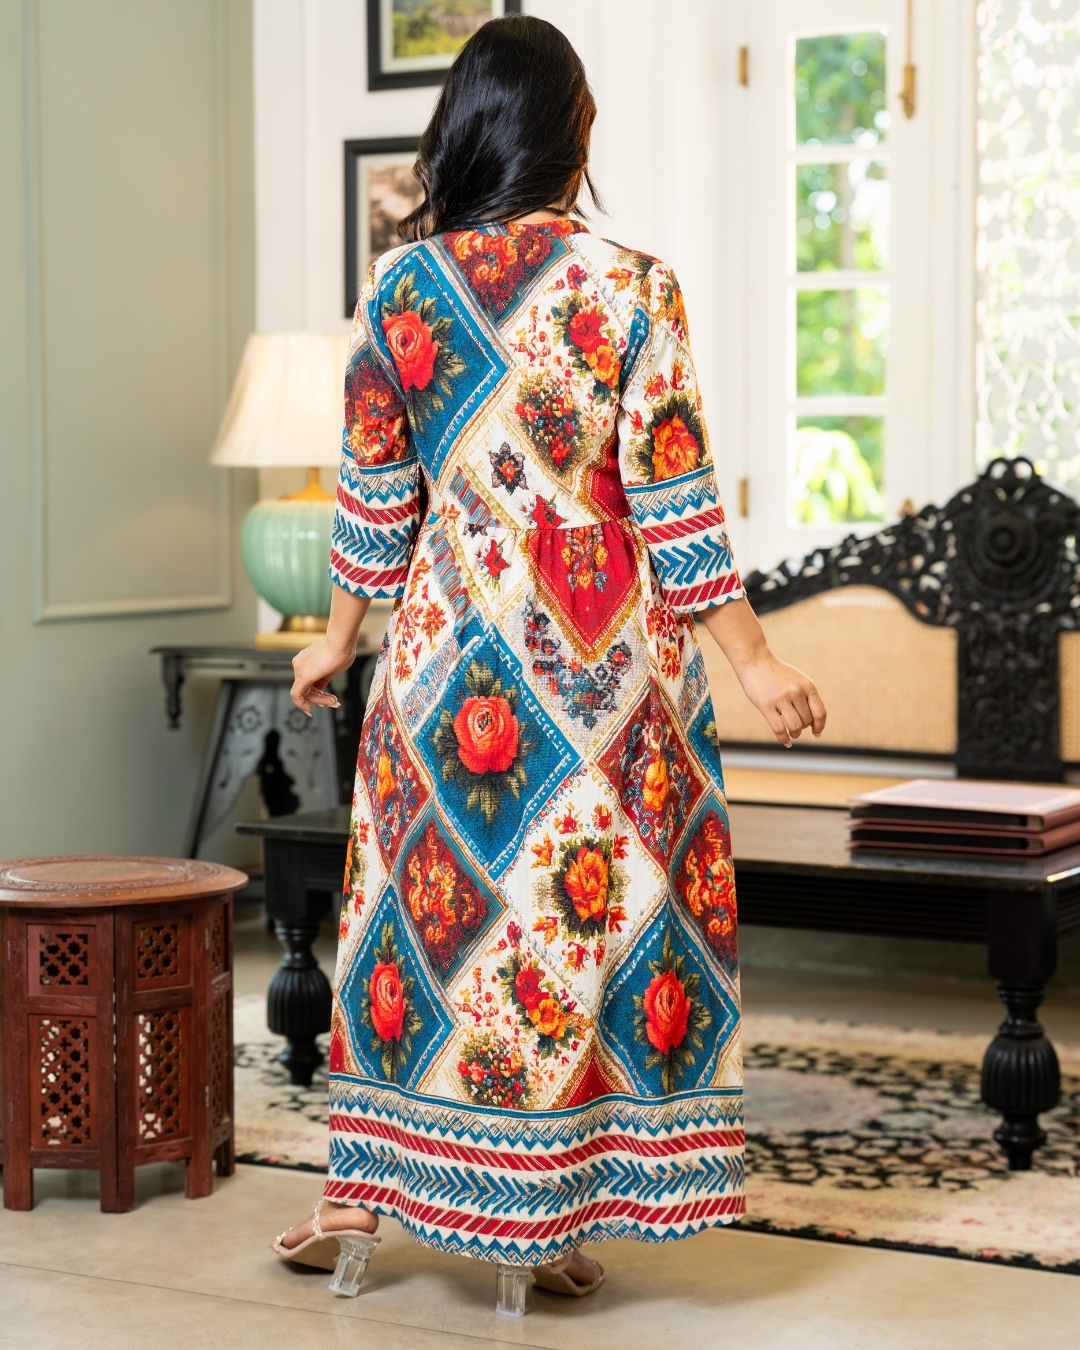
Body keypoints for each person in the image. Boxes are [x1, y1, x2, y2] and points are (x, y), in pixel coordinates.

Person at [273, 12, 825, 1299]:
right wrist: (754, 663)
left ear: (464, 130)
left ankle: (372, 1196)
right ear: (573, 132)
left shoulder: (398, 291)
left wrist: (336, 642)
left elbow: (374, 500)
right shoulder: (633, 288)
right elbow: (676, 506)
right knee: (571, 938)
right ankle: (543, 1216)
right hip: (600, 682)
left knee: (421, 930)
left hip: (443, 666)